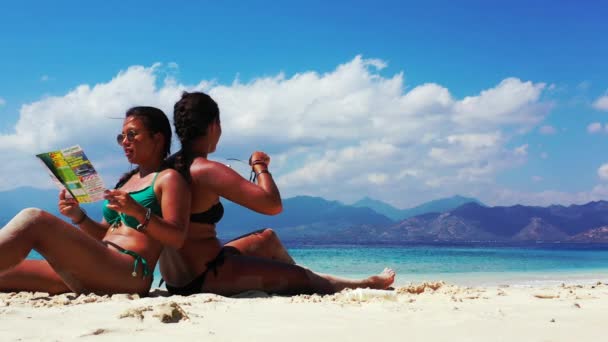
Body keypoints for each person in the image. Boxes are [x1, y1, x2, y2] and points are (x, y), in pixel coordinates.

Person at [159, 91, 395, 296]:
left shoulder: (167, 167)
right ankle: (362, 283)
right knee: (306, 279)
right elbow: (272, 205)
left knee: (268, 237)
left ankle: (295, 276)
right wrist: (260, 166)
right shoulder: (205, 169)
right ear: (213, 126)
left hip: (178, 279)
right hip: (205, 277)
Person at [0, 107, 191, 295]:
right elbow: (103, 233)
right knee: (6, 272)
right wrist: (79, 216)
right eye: (121, 137)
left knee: (35, 219)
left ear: (157, 138)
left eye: (131, 135)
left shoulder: (168, 178)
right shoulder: (126, 182)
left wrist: (138, 212)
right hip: (99, 265)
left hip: (129, 271)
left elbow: (177, 238)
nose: (125, 142)